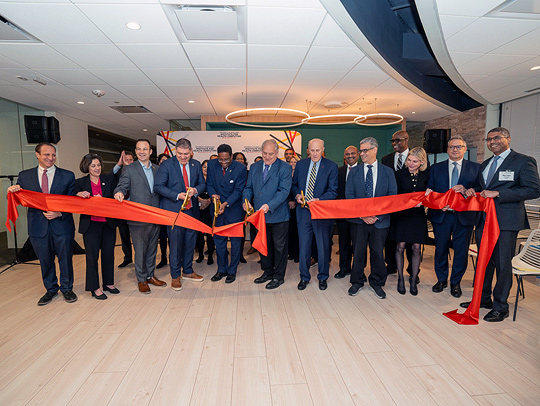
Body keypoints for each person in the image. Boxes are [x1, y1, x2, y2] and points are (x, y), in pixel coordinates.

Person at [460, 127, 540, 322]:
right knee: (484, 262)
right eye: (489, 139)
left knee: (503, 265)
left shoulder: (523, 161)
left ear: (508, 139)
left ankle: (501, 306)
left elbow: (533, 189)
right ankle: (484, 298)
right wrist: (472, 190)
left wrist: (500, 194)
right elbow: (484, 189)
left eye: (496, 138)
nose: (492, 142)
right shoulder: (486, 164)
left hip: (506, 222)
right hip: (484, 221)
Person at [8, 142, 77, 306]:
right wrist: (11, 193)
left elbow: (73, 201)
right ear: (37, 155)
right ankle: (51, 289)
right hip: (38, 227)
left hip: (62, 225)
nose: (51, 158)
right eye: (47, 154)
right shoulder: (24, 176)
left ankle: (67, 288)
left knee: (65, 259)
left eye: (53, 155)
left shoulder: (67, 175)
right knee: (45, 260)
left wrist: (60, 213)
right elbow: (17, 200)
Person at [426, 136, 480, 298]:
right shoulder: (436, 168)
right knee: (440, 249)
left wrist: (468, 191)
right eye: (451, 147)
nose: (455, 149)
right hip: (441, 215)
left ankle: (455, 282)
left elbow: (480, 190)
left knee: (461, 251)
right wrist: (438, 203)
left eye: (458, 147)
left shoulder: (476, 168)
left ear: (465, 149)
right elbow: (430, 189)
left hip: (464, 216)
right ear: (447, 150)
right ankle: (441, 280)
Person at [346, 137, 397, 299]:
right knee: (358, 251)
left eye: (365, 150)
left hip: (380, 221)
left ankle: (377, 282)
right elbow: (350, 196)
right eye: (361, 151)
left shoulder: (388, 172)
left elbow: (392, 196)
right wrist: (363, 215)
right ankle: (357, 281)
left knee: (377, 253)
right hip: (359, 220)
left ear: (375, 150)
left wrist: (377, 215)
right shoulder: (353, 171)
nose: (361, 154)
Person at [114, 139, 167, 294]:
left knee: (152, 248)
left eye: (145, 149)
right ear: (136, 151)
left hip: (155, 216)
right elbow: (122, 186)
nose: (142, 151)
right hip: (137, 218)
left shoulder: (158, 169)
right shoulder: (129, 169)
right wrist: (119, 192)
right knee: (140, 249)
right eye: (139, 149)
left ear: (150, 152)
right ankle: (142, 279)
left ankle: (150, 275)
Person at [155, 138, 206, 290]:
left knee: (191, 242)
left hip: (191, 210)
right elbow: (158, 186)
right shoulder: (166, 165)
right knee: (176, 244)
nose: (183, 157)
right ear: (175, 151)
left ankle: (188, 271)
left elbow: (202, 184)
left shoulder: (196, 164)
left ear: (191, 152)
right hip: (174, 211)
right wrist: (177, 195)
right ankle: (175, 275)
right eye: (179, 153)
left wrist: (195, 190)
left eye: (186, 154)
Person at [243, 139, 292, 289]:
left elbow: (284, 191)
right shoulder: (254, 166)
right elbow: (248, 188)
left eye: (271, 154)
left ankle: (278, 276)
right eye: (265, 153)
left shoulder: (285, 168)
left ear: (277, 153)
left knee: (279, 248)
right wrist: (245, 201)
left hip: (278, 215)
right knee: (264, 245)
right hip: (260, 216)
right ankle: (267, 272)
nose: (267, 156)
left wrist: (269, 205)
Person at [292, 139, 338, 291]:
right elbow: (294, 185)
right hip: (303, 211)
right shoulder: (300, 165)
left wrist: (319, 200)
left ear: (323, 150)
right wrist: (297, 195)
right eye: (312, 150)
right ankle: (304, 277)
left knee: (323, 246)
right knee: (304, 246)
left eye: (318, 150)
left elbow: (333, 191)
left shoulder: (331, 166)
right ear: (308, 150)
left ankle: (323, 277)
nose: (315, 153)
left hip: (322, 212)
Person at [74, 154, 120, 300]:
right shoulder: (79, 183)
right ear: (87, 167)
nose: (97, 168)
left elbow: (114, 198)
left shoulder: (107, 180)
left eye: (98, 165)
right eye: (93, 165)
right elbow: (71, 199)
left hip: (108, 224)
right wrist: (78, 194)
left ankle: (108, 283)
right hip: (91, 225)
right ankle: (94, 287)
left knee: (108, 255)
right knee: (92, 257)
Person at [390, 147, 429, 295]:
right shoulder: (399, 174)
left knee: (416, 248)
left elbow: (429, 194)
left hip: (417, 215)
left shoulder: (426, 176)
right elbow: (394, 196)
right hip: (402, 214)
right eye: (409, 160)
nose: (411, 164)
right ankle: (400, 278)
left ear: (421, 162)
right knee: (400, 245)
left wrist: (427, 198)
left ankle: (413, 279)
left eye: (415, 161)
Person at [207, 144, 248, 283]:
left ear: (231, 156)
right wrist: (213, 195)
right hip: (217, 210)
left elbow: (238, 190)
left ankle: (232, 270)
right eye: (220, 159)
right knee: (219, 242)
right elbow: (209, 184)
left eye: (226, 159)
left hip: (234, 210)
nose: (223, 163)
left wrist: (225, 203)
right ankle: (221, 269)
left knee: (236, 243)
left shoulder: (240, 168)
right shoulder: (212, 165)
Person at [381, 130, 414, 278]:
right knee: (390, 238)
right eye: (392, 141)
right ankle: (391, 265)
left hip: (409, 207)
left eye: (398, 140)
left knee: (410, 241)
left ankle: (412, 269)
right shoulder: (386, 159)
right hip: (390, 206)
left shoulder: (415, 158)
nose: (394, 143)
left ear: (406, 140)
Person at [335, 145, 359, 279]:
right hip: (342, 214)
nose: (350, 156)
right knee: (343, 242)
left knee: (358, 244)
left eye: (352, 153)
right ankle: (344, 269)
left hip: (358, 214)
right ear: (344, 157)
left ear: (358, 155)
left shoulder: (364, 170)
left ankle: (358, 270)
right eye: (347, 154)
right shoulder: (339, 171)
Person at [115, 150, 134, 268]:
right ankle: (128, 258)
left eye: (131, 160)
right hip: (122, 209)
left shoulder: (139, 172)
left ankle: (141, 260)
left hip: (136, 208)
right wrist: (119, 165)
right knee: (124, 235)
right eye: (126, 160)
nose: (128, 162)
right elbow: (109, 176)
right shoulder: (118, 173)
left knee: (138, 236)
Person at [196, 160, 215, 265]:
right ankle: (200, 255)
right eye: (204, 167)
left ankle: (211, 256)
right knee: (199, 235)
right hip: (199, 210)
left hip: (210, 209)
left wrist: (208, 201)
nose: (206, 169)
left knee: (210, 234)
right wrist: (200, 200)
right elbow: (192, 191)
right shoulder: (197, 179)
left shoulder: (213, 179)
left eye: (208, 167)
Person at [233, 152, 249, 263]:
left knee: (241, 232)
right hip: (232, 204)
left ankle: (240, 254)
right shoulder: (231, 172)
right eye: (237, 159)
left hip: (243, 205)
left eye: (241, 159)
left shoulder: (248, 173)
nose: (240, 160)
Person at [156, 153, 170, 269]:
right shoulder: (155, 173)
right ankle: (163, 258)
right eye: (161, 160)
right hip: (158, 209)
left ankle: (173, 258)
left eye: (165, 160)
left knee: (172, 236)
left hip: (170, 208)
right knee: (162, 236)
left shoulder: (171, 173)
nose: (163, 162)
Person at [288, 156, 299, 263]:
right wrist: (289, 202)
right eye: (291, 162)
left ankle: (297, 254)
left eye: (295, 162)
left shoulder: (300, 175)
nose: (293, 164)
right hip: (287, 206)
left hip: (298, 206)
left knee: (297, 231)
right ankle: (290, 252)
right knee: (289, 231)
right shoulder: (286, 174)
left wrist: (295, 202)